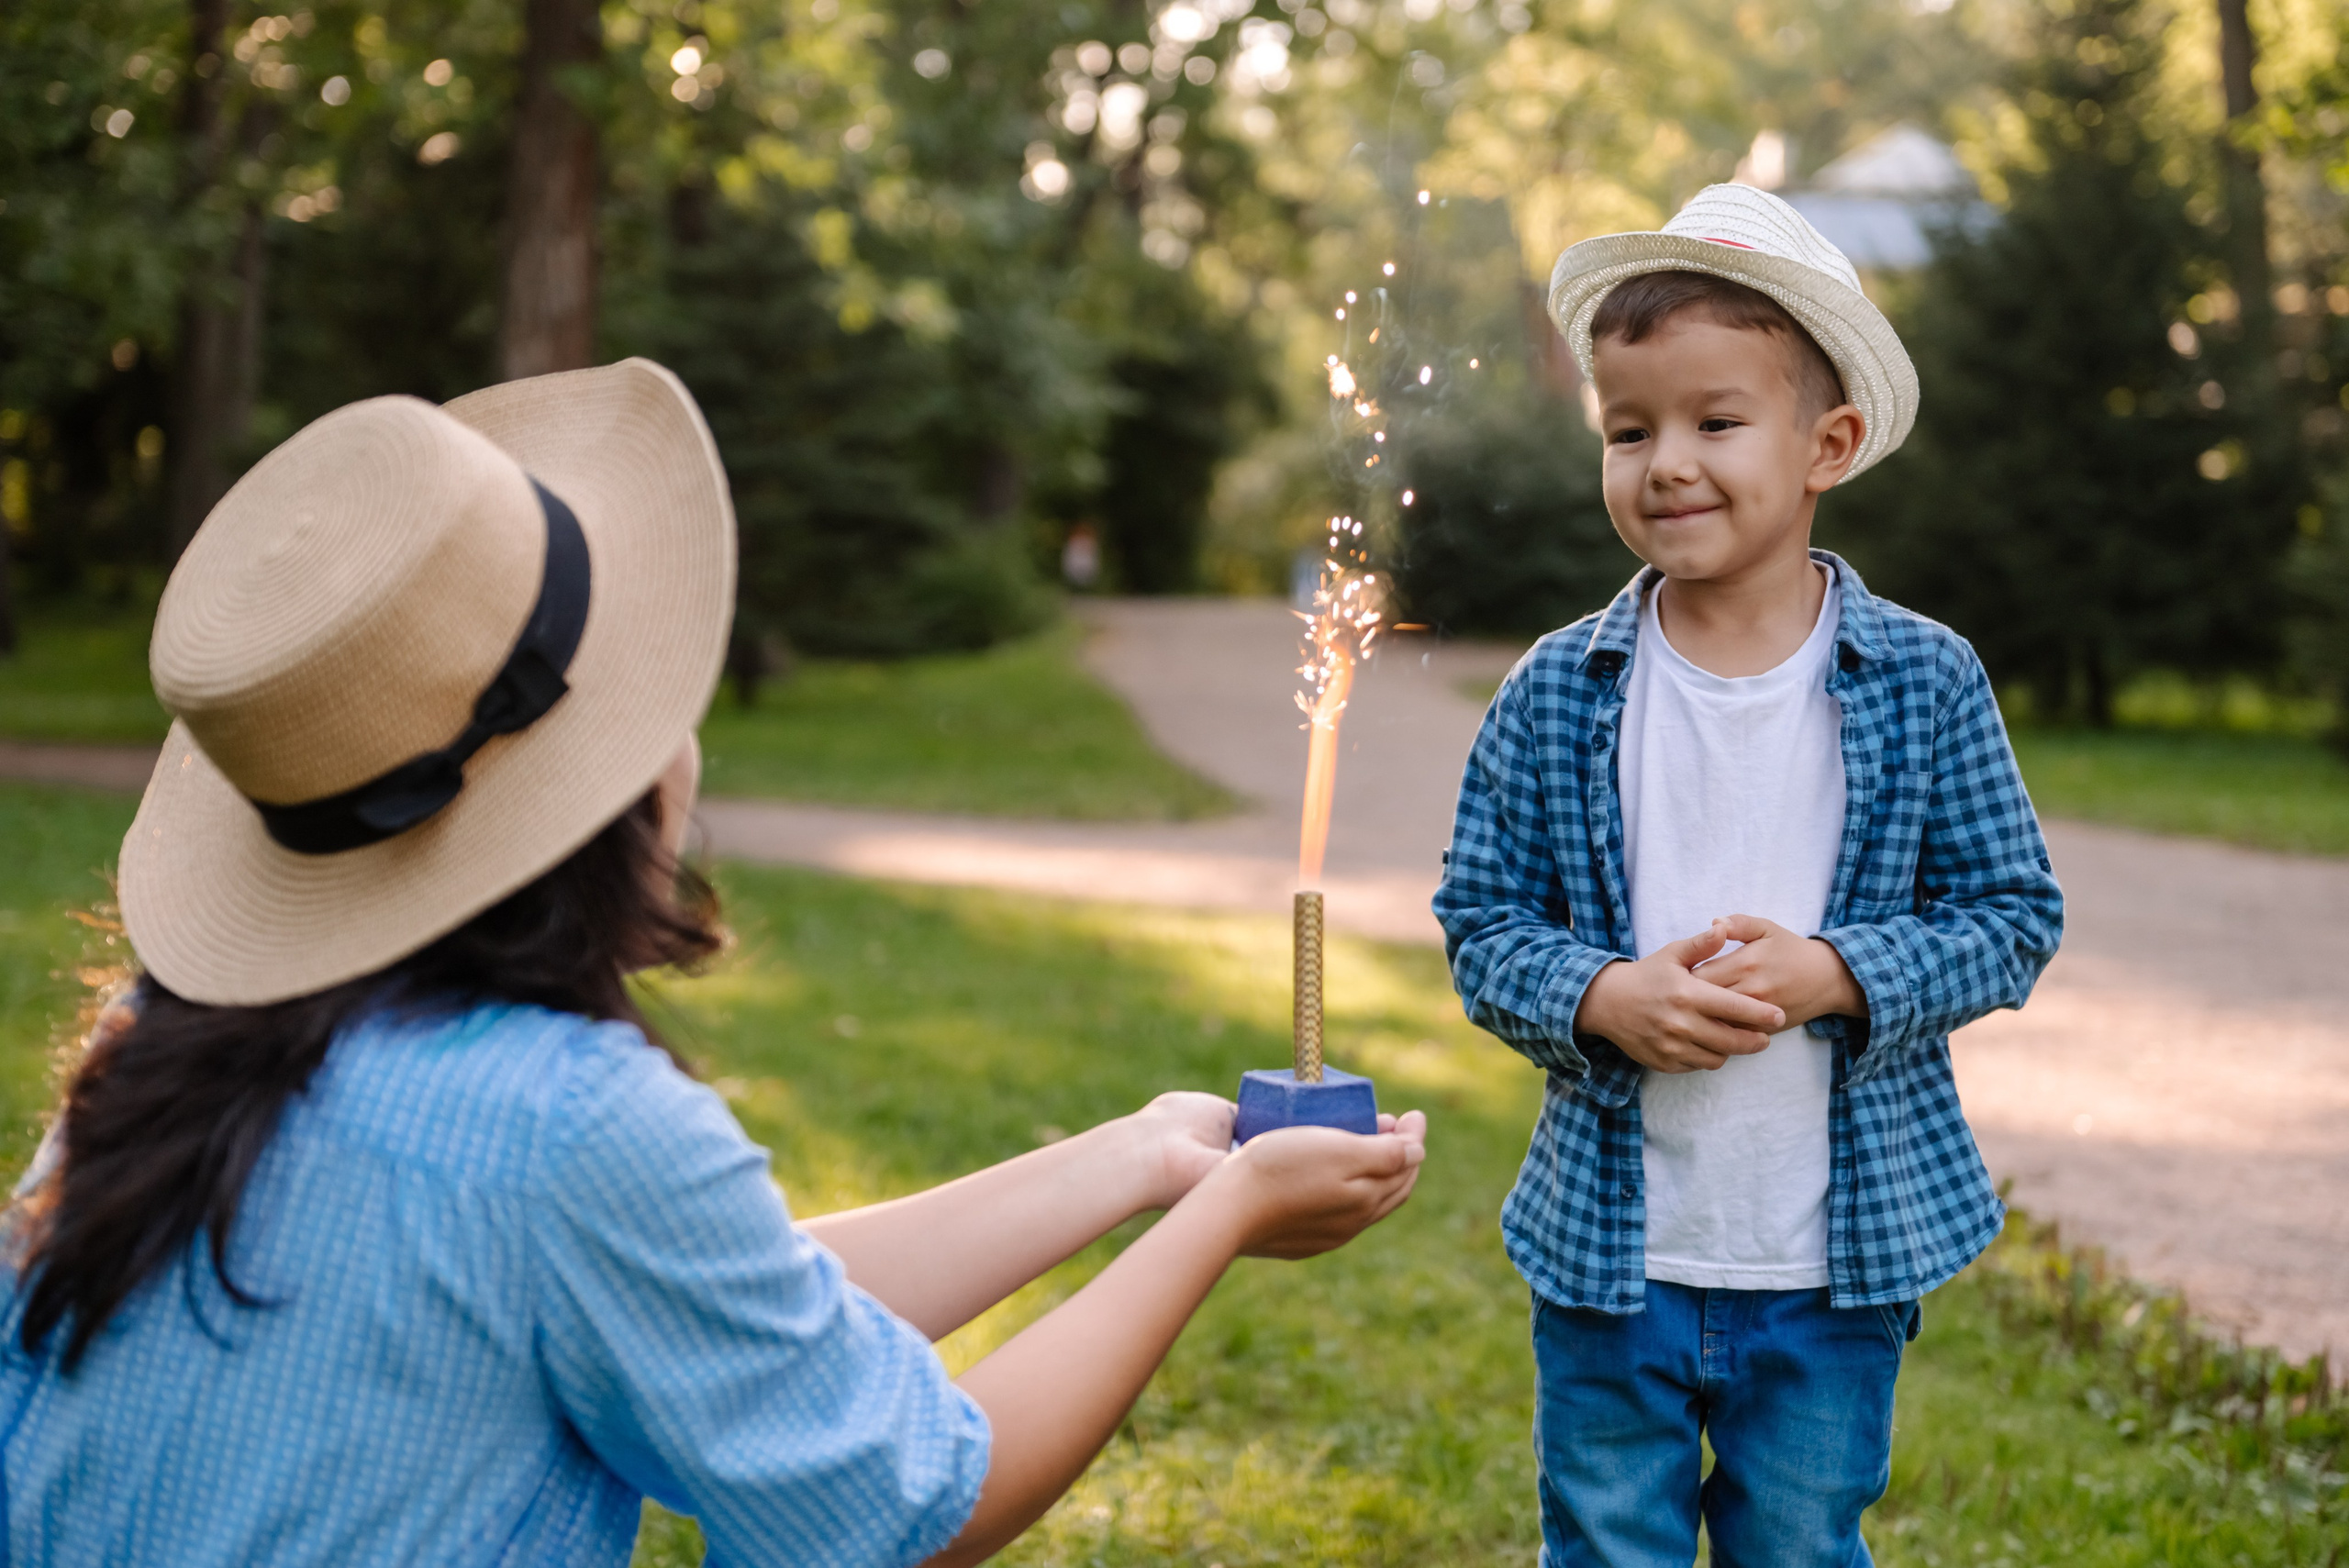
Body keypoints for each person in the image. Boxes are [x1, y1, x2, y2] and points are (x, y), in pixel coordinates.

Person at [0, 360, 1428, 1566]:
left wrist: (1132, 1162)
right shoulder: (571, 1123)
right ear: (608, 781)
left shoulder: (149, 1056)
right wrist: (1223, 1217)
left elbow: (709, 1304)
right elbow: (911, 1510)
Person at [1434, 184, 2063, 1566]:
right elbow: (1481, 922)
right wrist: (1600, 994)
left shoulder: (1923, 677)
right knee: (1605, 1543)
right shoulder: (1558, 689)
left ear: (1826, 442)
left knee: (1798, 1540)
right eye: (1628, 428)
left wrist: (1838, 969)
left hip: (1830, 1261)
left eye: (1716, 422)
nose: (1668, 461)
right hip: (1613, 1252)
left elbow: (2014, 917)